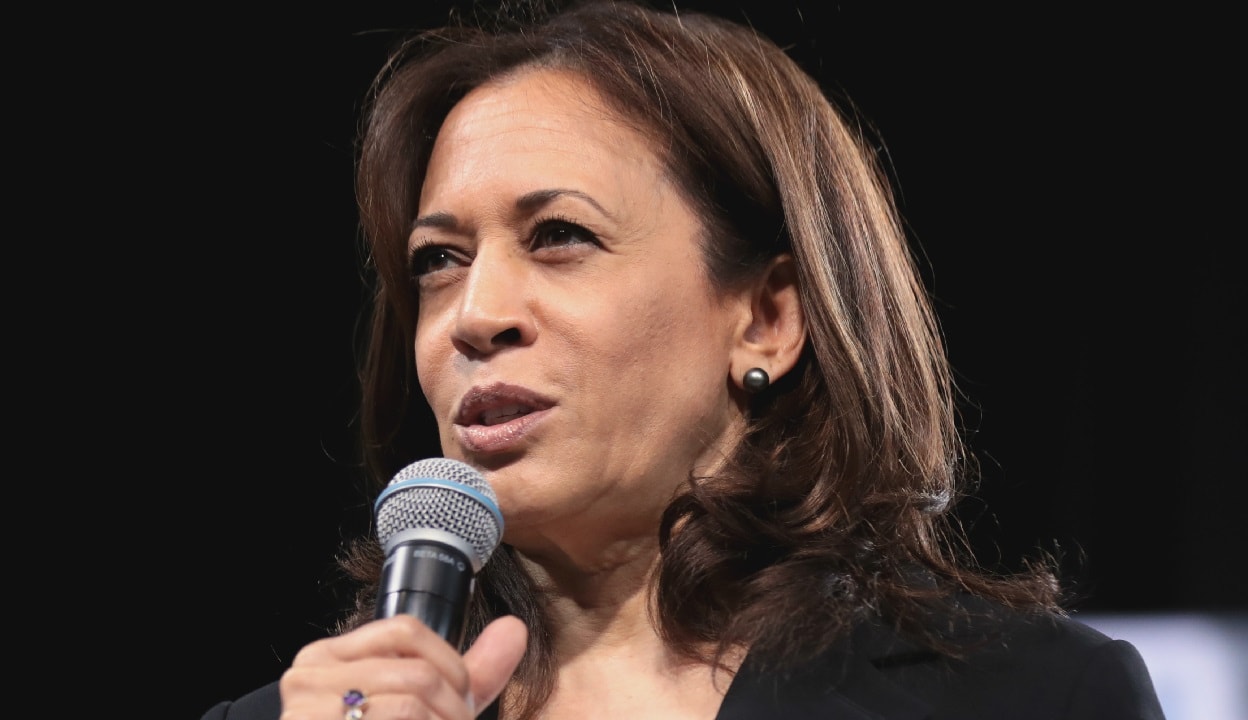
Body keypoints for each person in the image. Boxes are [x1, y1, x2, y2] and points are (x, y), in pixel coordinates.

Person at [202, 0, 1167, 718]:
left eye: (560, 236)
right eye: (439, 262)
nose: (476, 314)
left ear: (767, 318)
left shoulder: (1030, 698)